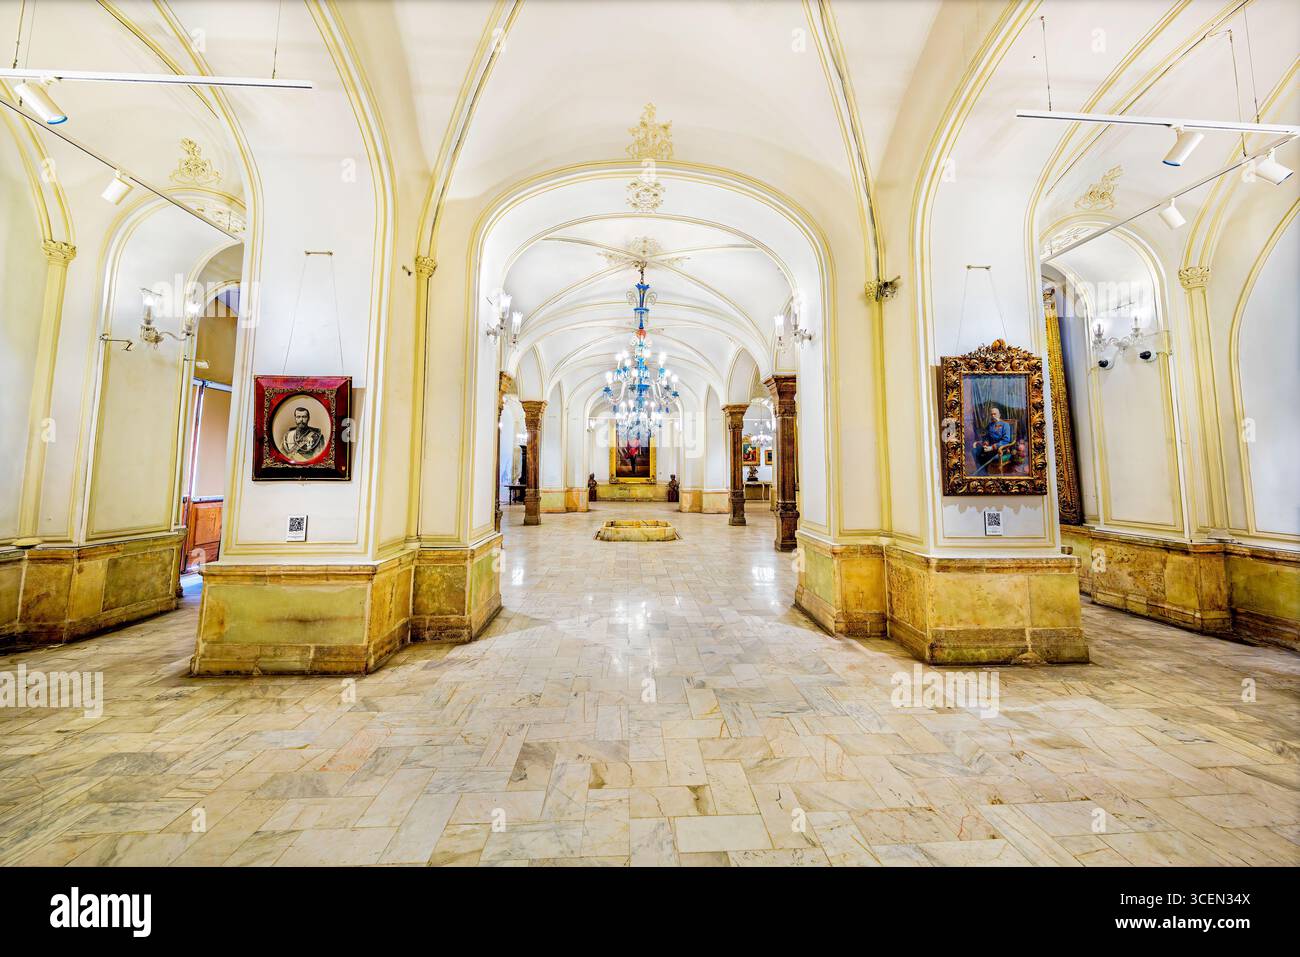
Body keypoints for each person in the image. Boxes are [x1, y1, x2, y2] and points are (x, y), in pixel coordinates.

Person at [971, 405, 1013, 474]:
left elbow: (1006, 441)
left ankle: (982, 473)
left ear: (999, 415)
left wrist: (992, 447)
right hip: (989, 447)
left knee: (986, 456)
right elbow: (986, 436)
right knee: (974, 451)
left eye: (995, 414)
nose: (993, 416)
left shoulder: (1005, 425)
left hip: (1000, 449)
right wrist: (986, 443)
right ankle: (983, 472)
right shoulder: (990, 425)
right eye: (991, 414)